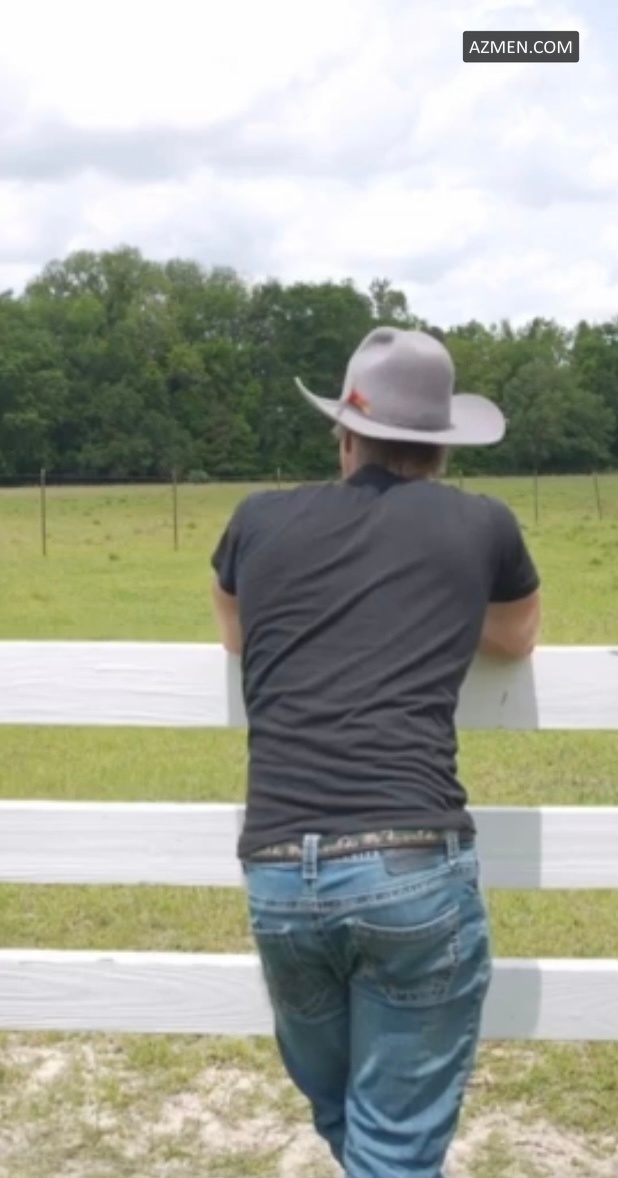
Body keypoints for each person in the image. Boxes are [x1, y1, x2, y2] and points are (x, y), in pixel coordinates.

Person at [211, 326, 541, 1178]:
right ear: (443, 445)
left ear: (344, 434)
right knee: (389, 1145)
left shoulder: (256, 522)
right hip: (410, 865)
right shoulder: (482, 525)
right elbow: (514, 638)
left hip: (281, 871)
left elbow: (240, 634)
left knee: (347, 1119)